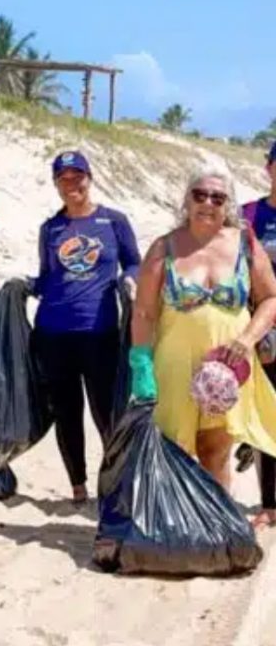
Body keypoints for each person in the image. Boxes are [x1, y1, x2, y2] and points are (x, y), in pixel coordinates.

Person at [130, 163, 276, 494]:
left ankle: (217, 528)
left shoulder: (245, 244)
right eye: (200, 195)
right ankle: (172, 527)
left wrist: (247, 339)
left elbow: (270, 299)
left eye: (218, 198)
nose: (208, 203)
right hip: (173, 365)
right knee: (172, 449)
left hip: (229, 368)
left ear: (228, 206)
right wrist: (140, 364)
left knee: (215, 451)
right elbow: (143, 312)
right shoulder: (163, 247)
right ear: (187, 200)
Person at [32, 151, 141, 503]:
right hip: (53, 333)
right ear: (55, 184)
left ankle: (116, 483)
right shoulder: (50, 228)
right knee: (66, 412)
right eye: (63, 178)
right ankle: (77, 486)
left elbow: (134, 263)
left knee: (107, 411)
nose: (72, 184)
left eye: (77, 176)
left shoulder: (114, 222)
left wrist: (130, 280)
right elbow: (48, 277)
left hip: (99, 331)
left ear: (89, 178)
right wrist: (24, 285)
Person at [238, 140, 276, 527]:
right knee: (270, 415)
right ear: (269, 167)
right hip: (265, 332)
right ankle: (270, 503)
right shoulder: (248, 215)